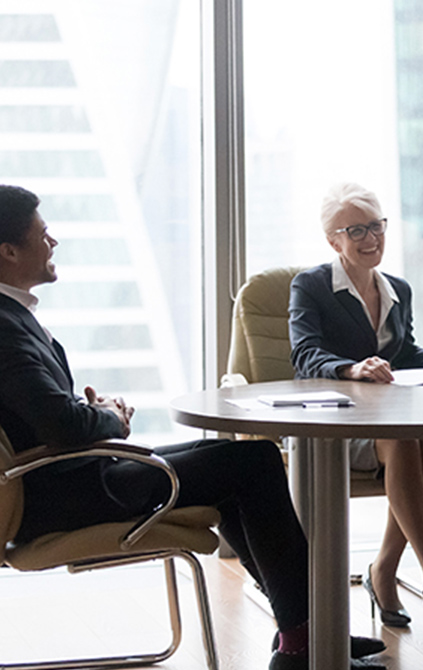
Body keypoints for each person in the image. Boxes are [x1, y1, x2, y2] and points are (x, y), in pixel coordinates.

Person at [0, 184, 384, 670]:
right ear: (8, 251)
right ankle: (304, 636)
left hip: (69, 476)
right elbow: (63, 427)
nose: (53, 243)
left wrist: (92, 414)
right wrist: (111, 418)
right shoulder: (6, 328)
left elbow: (44, 415)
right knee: (252, 462)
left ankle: (303, 632)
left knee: (244, 461)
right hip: (64, 493)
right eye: (43, 234)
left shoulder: (13, 318)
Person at [288, 183, 423, 636]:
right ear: (334, 241)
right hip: (332, 428)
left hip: (388, 424)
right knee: (405, 437)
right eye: (356, 231)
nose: (371, 238)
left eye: (376, 226)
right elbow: (305, 355)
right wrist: (351, 368)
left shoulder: (397, 290)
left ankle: (384, 568)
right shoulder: (311, 287)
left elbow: (403, 352)